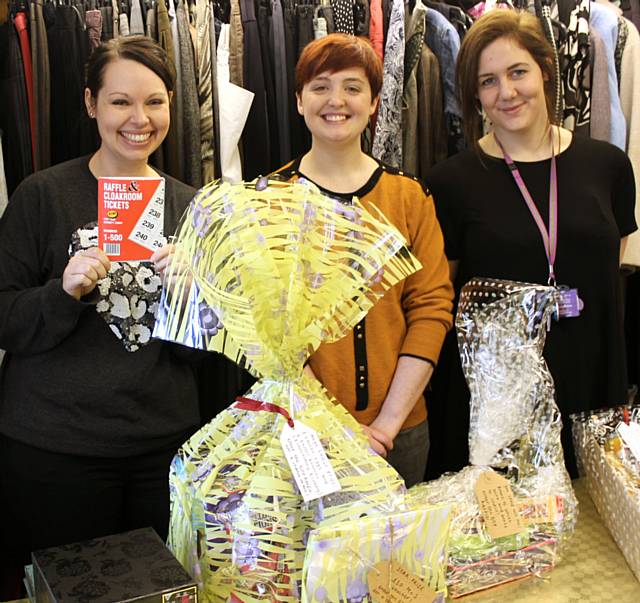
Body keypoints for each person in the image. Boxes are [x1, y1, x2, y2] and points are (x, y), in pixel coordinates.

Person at [0, 36, 200, 576]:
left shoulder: (192, 206)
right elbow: (6, 320)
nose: (140, 118)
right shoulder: (42, 195)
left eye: (155, 102)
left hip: (163, 447)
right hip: (55, 451)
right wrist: (61, 292)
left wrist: (190, 297)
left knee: (162, 587)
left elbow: (215, 350)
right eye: (120, 101)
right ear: (90, 103)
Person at [426, 9, 637, 479]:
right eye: (488, 81)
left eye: (517, 72)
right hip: (495, 409)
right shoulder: (452, 182)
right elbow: (443, 295)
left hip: (590, 381)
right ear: (475, 95)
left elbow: (609, 264)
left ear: (544, 69)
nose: (507, 92)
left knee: (596, 538)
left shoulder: (608, 166)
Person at [273, 34, 454, 487]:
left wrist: (386, 427)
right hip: (308, 433)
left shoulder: (409, 197)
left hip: (401, 431)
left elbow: (431, 308)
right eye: (320, 86)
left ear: (374, 102)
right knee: (315, 556)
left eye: (353, 87)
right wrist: (334, 428)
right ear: (299, 101)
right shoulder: (269, 201)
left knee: (399, 557)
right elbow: (268, 328)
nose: (337, 100)